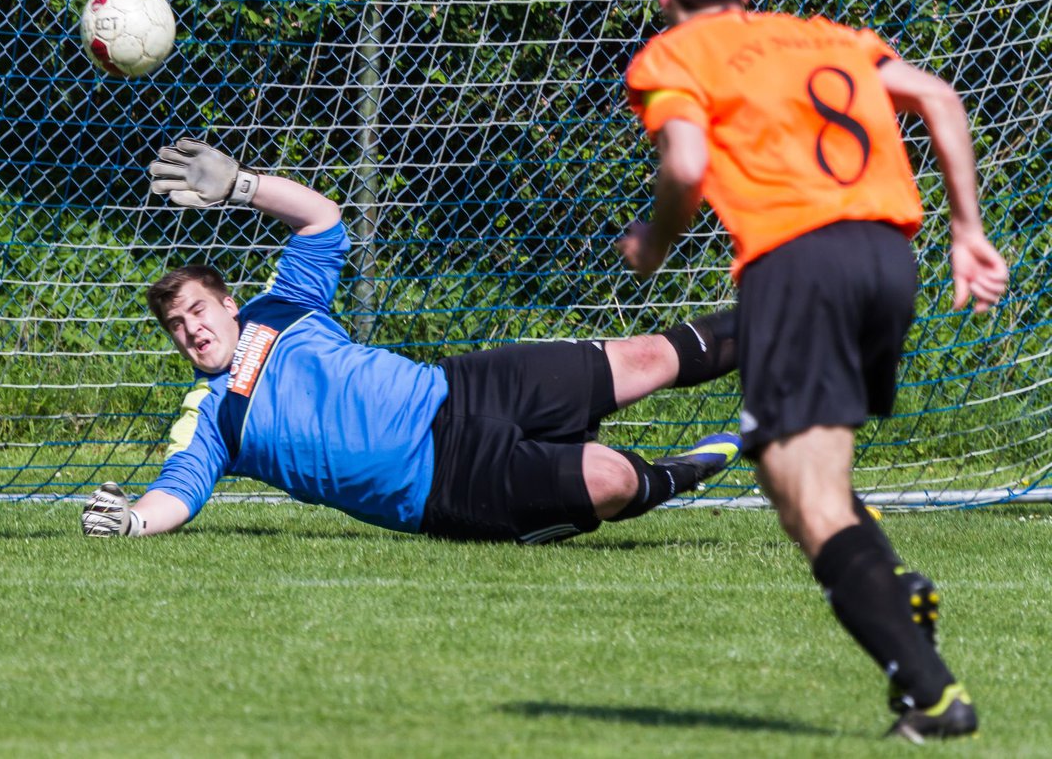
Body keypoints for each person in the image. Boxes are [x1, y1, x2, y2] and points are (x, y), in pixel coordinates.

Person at [616, 0, 1008, 742]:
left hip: (797, 266)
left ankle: (932, 694)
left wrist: (651, 242)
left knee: (806, 497)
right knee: (805, 476)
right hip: (886, 257)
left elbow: (686, 166)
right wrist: (967, 231)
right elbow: (937, 94)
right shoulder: (829, 36)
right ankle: (896, 594)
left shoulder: (674, 57)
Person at [82, 137, 741, 548]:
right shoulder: (213, 415)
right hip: (444, 484)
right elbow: (180, 489)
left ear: (228, 303)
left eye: (199, 310)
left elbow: (323, 223)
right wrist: (135, 522)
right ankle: (684, 469)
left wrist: (240, 187)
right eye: (178, 326)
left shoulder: (279, 307)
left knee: (649, 357)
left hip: (460, 389)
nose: (193, 329)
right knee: (612, 478)